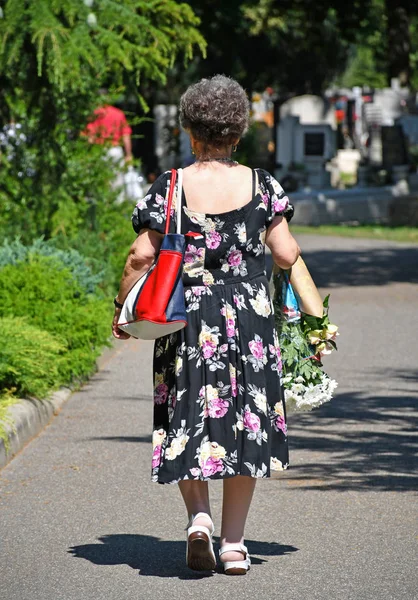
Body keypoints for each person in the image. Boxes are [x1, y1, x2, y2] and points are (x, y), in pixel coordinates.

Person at [112, 75, 300, 575]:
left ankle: (199, 519)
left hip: (187, 319)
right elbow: (285, 253)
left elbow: (140, 253)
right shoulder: (262, 185)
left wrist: (123, 305)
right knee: (245, 422)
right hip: (250, 319)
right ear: (238, 132)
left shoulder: (171, 186)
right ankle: (234, 545)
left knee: (187, 415)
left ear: (191, 131)